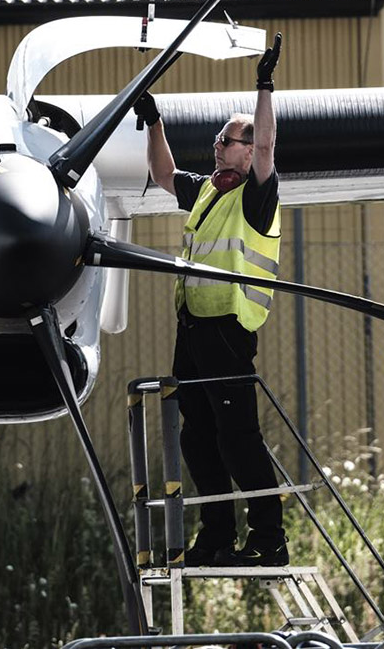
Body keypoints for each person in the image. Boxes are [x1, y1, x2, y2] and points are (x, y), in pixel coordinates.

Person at [135, 33, 286, 567]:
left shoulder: (257, 194)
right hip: (193, 331)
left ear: (249, 151)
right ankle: (217, 535)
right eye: (220, 140)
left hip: (226, 330)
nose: (219, 145)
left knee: (238, 438)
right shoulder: (207, 189)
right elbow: (162, 174)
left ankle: (268, 538)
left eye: (229, 140)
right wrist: (154, 121)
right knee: (199, 440)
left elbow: (268, 145)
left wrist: (263, 85)